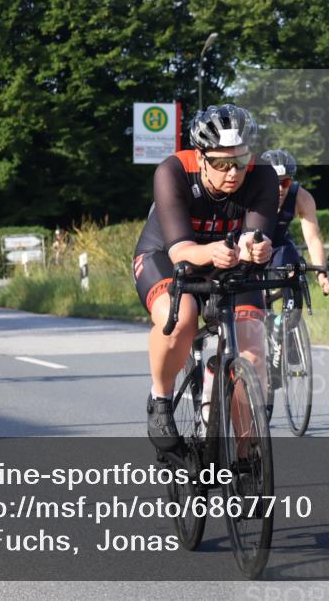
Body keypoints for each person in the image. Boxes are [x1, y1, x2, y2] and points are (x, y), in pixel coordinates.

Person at [133, 104, 276, 452]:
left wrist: (260, 249)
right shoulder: (173, 171)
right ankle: (161, 397)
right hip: (167, 257)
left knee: (254, 352)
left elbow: (256, 238)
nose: (233, 173)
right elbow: (180, 250)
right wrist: (212, 251)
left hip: (227, 262)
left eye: (240, 162)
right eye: (221, 164)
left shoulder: (263, 175)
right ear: (200, 157)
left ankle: (246, 459)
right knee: (179, 318)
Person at [259, 149, 329, 296]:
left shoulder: (302, 198)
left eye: (286, 182)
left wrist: (322, 276)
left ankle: (291, 315)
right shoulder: (251, 193)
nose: (281, 188)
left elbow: (313, 239)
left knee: (294, 268)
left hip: (279, 244)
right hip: (251, 244)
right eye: (275, 181)